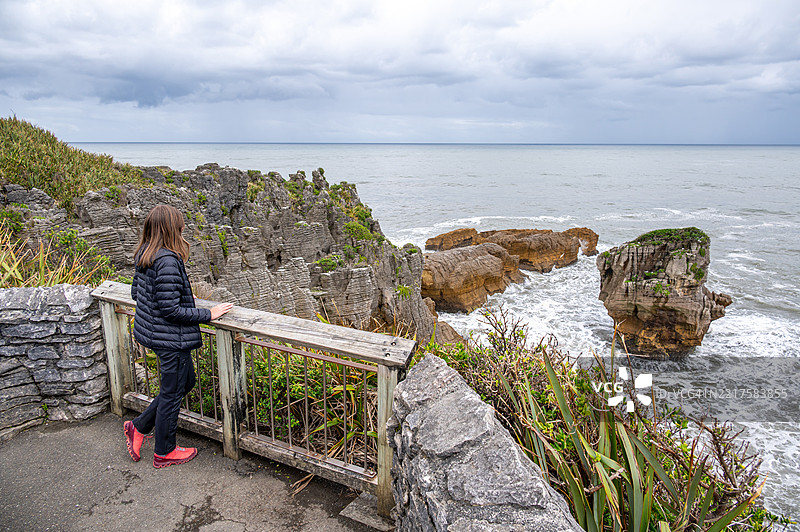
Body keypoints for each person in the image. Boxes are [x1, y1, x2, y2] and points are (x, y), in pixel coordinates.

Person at [123, 204, 233, 468]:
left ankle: (138, 426)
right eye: (181, 224)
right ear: (174, 228)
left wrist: (184, 295)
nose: (184, 228)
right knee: (173, 393)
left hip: (155, 335)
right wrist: (209, 314)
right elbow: (171, 310)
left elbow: (138, 294)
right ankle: (164, 451)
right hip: (171, 339)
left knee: (183, 384)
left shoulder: (146, 254)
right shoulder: (169, 260)